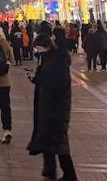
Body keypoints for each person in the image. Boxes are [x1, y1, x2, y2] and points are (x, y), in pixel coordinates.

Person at [27, 32, 76, 181]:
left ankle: (69, 175)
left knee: (59, 144)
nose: (37, 51)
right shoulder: (48, 58)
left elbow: (59, 84)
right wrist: (35, 79)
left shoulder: (59, 61)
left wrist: (41, 80)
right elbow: (46, 79)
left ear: (47, 46)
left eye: (39, 48)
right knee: (48, 142)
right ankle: (49, 173)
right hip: (47, 108)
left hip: (56, 109)